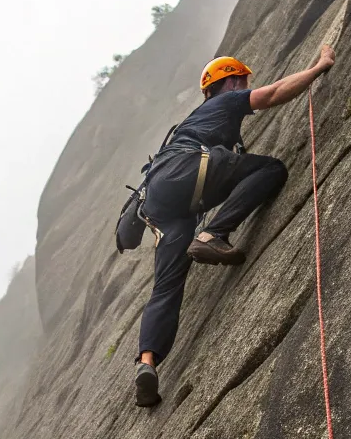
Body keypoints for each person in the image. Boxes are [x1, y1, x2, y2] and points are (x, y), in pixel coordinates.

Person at [134, 46, 337, 407]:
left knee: (166, 288)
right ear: (229, 82)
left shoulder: (197, 123)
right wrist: (320, 66)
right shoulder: (222, 104)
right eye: (241, 80)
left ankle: (146, 363)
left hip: (161, 201)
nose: (244, 85)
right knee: (271, 168)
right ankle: (214, 234)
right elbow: (272, 94)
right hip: (186, 171)